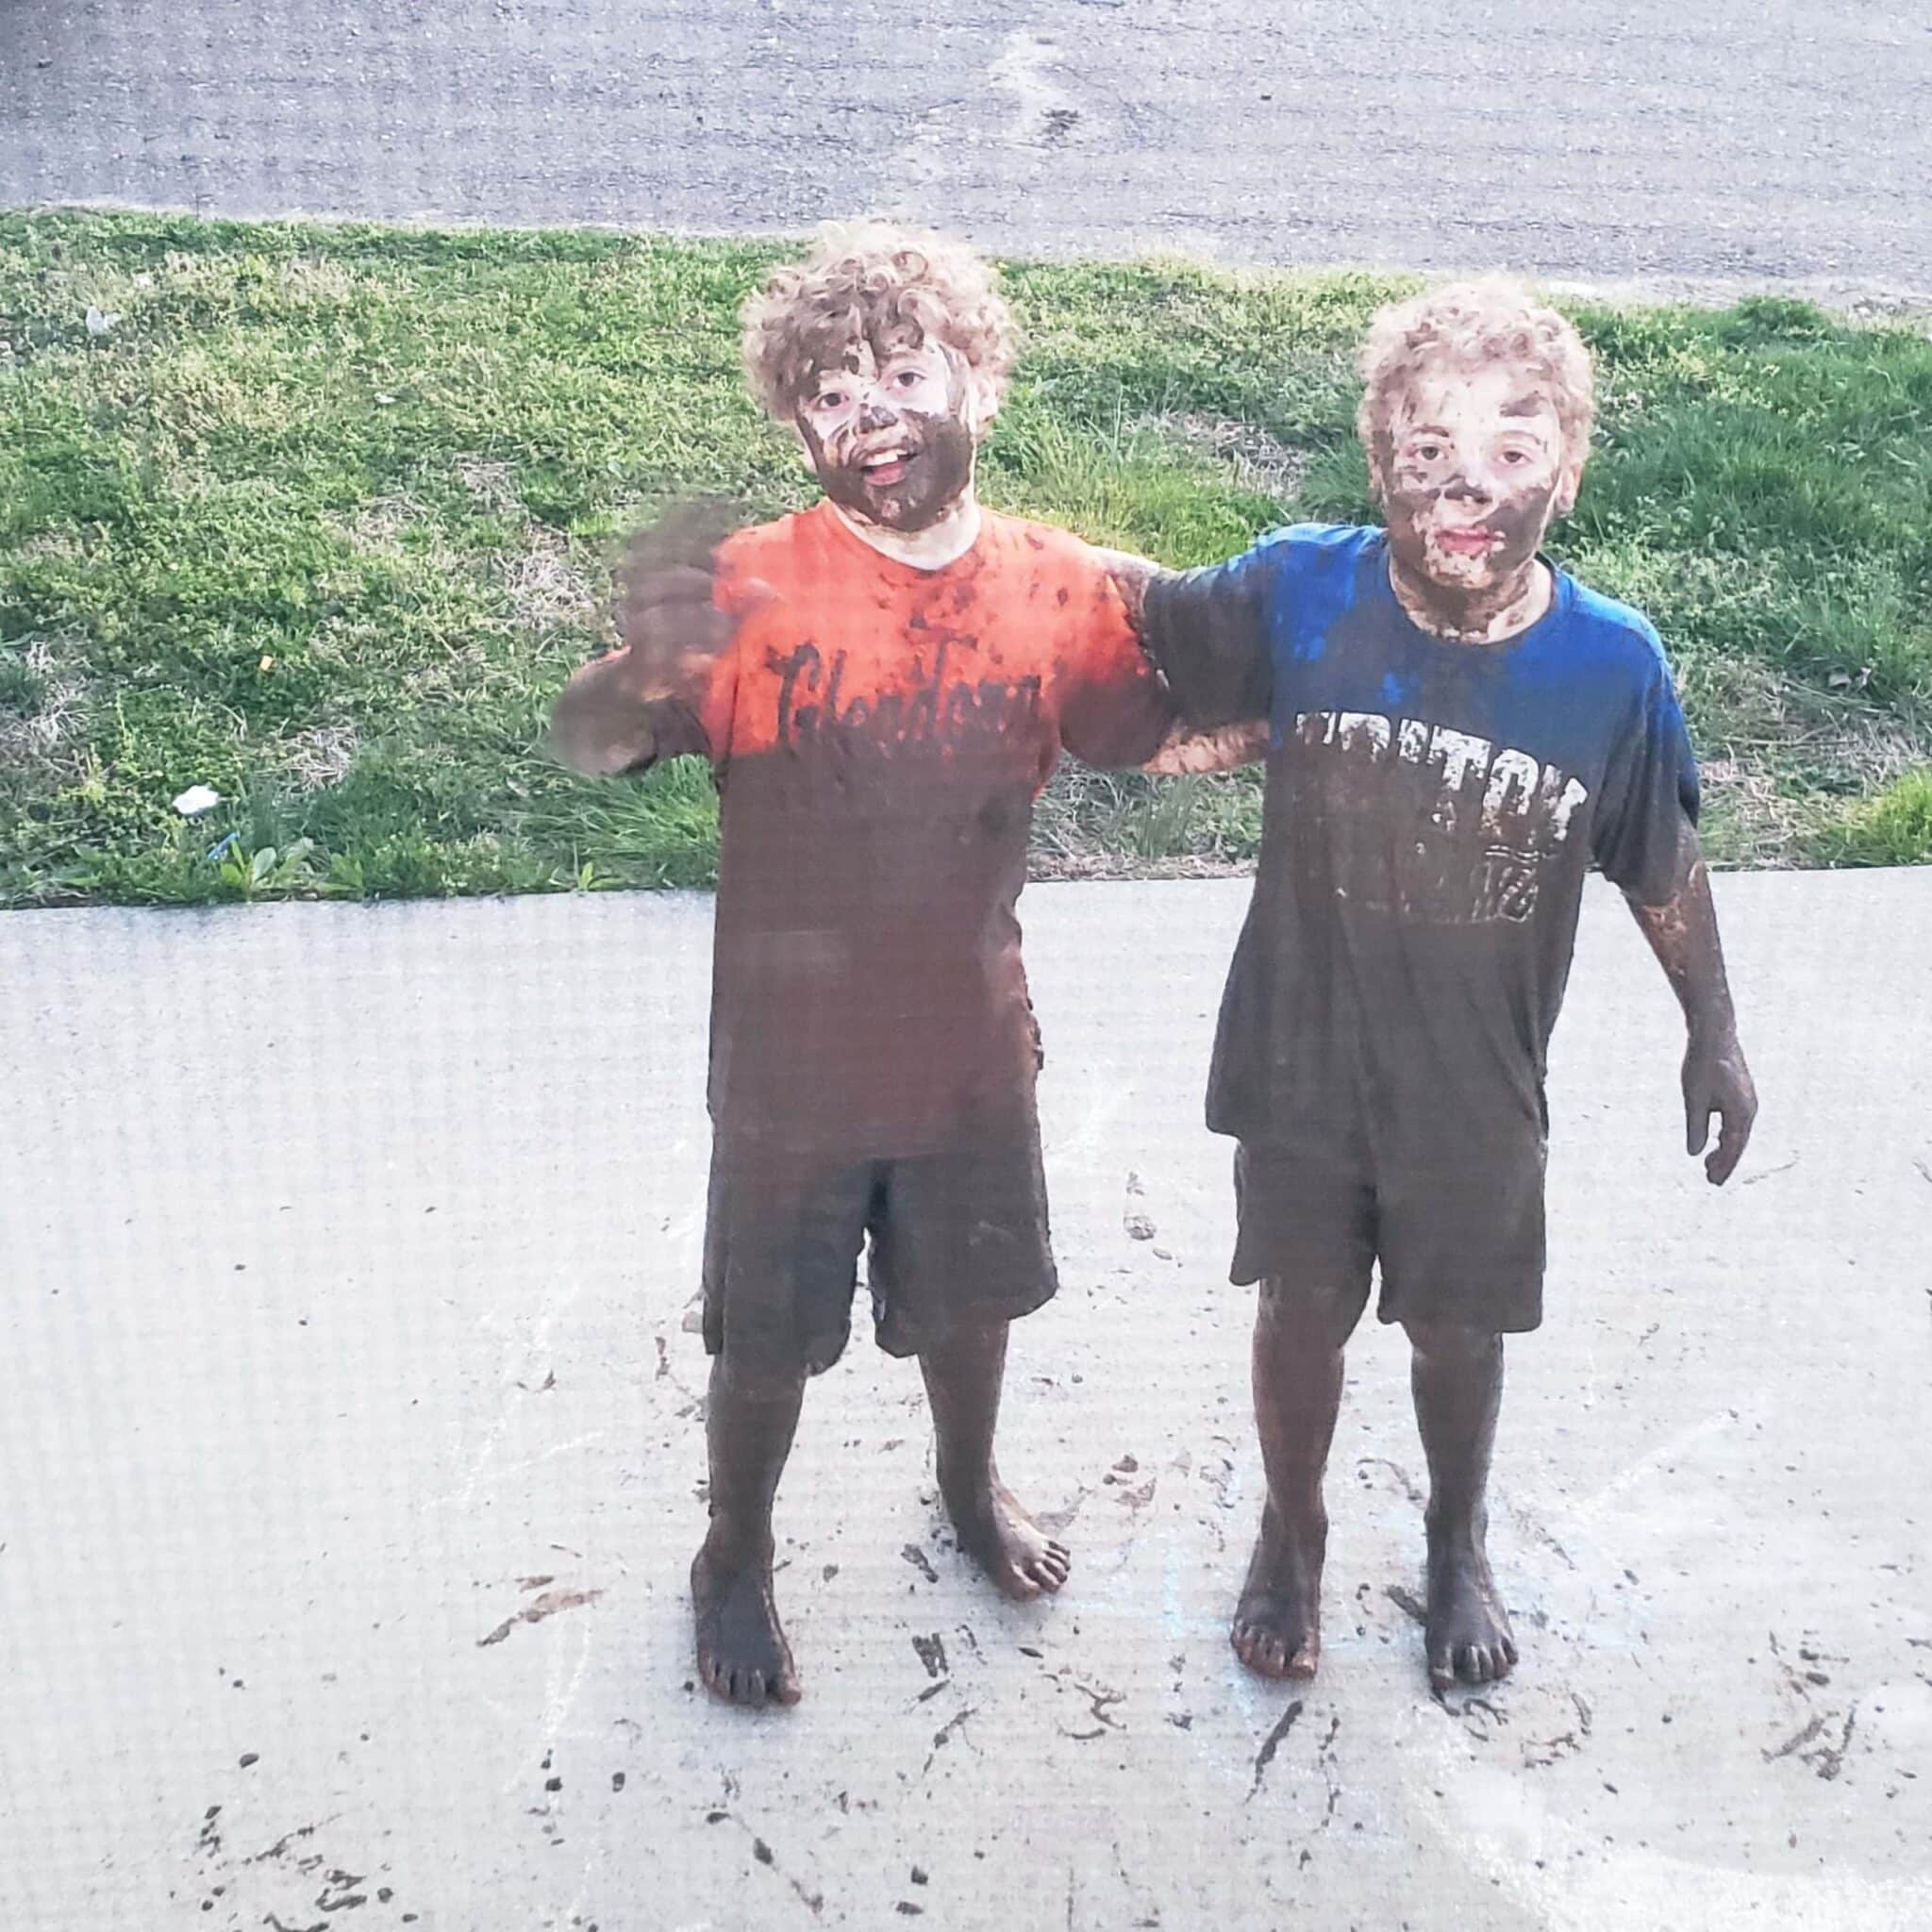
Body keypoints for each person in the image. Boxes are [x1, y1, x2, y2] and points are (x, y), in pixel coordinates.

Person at [549, 221, 1200, 1707]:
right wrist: (636, 669)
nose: (876, 414)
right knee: (765, 1345)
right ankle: (735, 1551)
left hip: (970, 1048)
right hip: (789, 1072)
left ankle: (969, 1492)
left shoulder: (1051, 584)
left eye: (907, 373)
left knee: (971, 1311)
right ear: (798, 428)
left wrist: (1273, 668)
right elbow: (591, 747)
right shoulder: (750, 586)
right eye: (833, 396)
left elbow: (1147, 734)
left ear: (982, 383)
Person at [1118, 279, 1758, 1691]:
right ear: (1378, 459)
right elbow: (1143, 618)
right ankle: (1292, 1533)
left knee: (1459, 1329)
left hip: (1477, 1084)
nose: (1468, 480)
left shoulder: (1612, 667)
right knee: (1300, 1304)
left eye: (1515, 450)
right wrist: (986, 573)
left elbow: (1661, 859)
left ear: (1570, 474)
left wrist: (1714, 1033)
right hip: (1301, 1056)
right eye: (1430, 448)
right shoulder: (1300, 588)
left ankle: (1457, 1538)